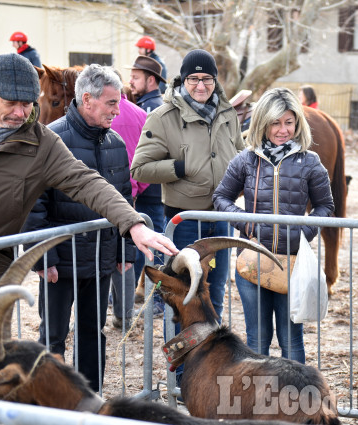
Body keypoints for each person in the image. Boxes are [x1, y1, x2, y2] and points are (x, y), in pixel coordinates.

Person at [0, 53, 178, 397]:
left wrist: (133, 224)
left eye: (28, 104)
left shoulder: (40, 143)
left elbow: (88, 183)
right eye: (12, 103)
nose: (21, 113)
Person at [131, 49, 245, 381]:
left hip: (219, 217)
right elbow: (140, 167)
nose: (200, 85)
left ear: (214, 81)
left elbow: (238, 155)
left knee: (216, 291)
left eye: (206, 79)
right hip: (183, 221)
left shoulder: (227, 114)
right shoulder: (163, 116)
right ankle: (181, 375)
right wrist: (179, 167)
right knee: (185, 297)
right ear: (183, 80)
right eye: (193, 79)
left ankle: (208, 367)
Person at [21, 64, 136, 391]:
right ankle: (50, 400)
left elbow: (125, 199)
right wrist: (44, 257)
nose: (118, 109)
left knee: (92, 331)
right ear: (88, 99)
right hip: (62, 261)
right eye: (112, 103)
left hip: (100, 259)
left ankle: (89, 398)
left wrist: (124, 248)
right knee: (53, 335)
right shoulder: (52, 138)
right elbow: (34, 202)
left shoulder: (115, 142)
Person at [213, 87, 334, 364]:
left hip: (292, 264)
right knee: (257, 338)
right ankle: (260, 401)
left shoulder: (310, 162)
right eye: (275, 123)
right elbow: (221, 197)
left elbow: (325, 206)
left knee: (292, 339)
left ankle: (298, 402)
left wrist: (304, 231)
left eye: (289, 122)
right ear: (263, 123)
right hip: (253, 261)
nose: (283, 130)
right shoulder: (246, 160)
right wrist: (248, 226)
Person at [124, 55, 167, 319]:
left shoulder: (154, 109)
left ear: (151, 81)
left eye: (136, 77)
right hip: (146, 187)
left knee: (156, 244)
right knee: (145, 243)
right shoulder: (144, 105)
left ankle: (159, 297)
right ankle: (131, 292)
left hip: (151, 189)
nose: (130, 82)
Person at [108, 77, 148, 330]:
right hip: (128, 194)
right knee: (125, 257)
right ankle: (124, 315)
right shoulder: (141, 114)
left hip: (96, 197)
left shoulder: (97, 115)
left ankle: (100, 312)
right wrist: (136, 189)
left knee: (102, 255)